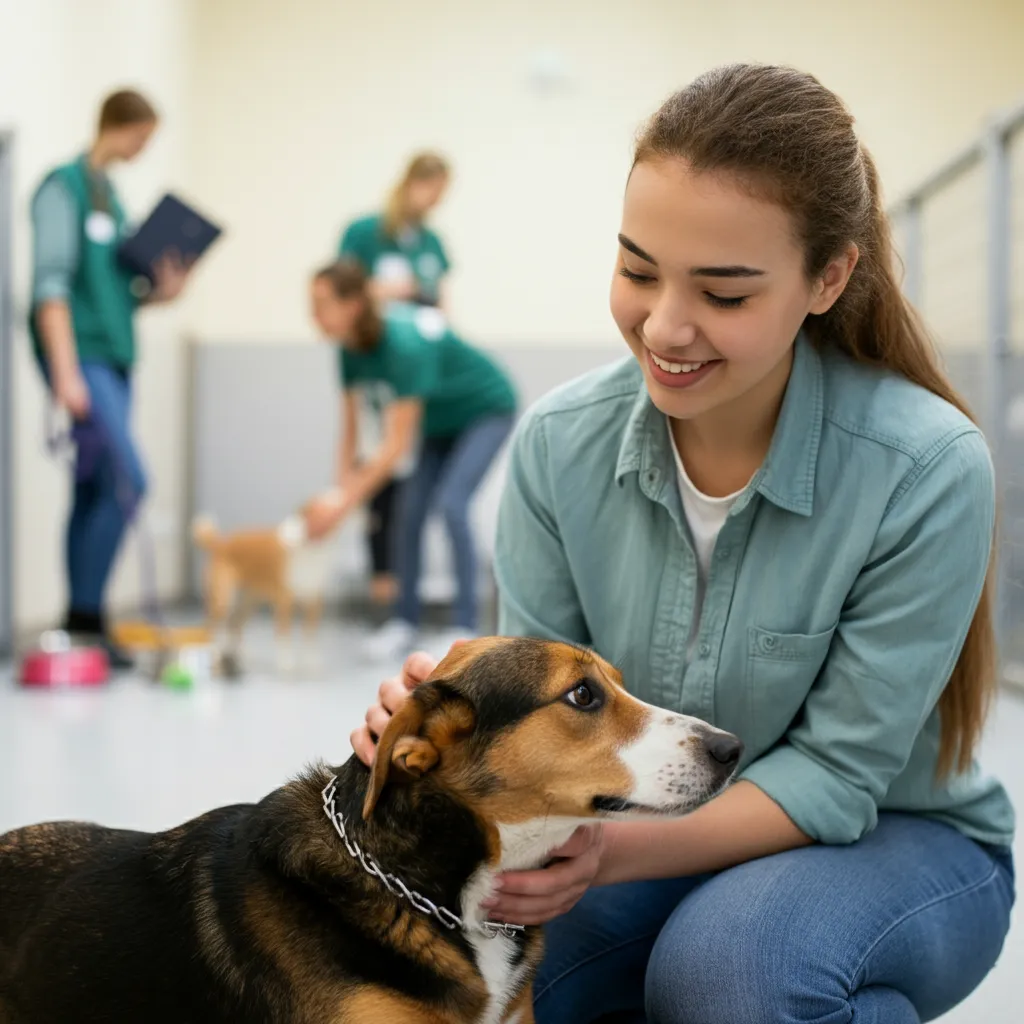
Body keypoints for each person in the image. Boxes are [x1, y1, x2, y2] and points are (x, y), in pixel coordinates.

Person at [350, 64, 1016, 1023]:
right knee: (465, 976)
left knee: (728, 975)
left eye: (726, 294)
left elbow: (836, 778)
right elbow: (544, 715)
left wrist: (601, 856)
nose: (664, 326)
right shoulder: (556, 444)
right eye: (635, 269)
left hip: (897, 837)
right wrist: (428, 733)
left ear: (828, 278)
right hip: (644, 826)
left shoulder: (927, 467)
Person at [29, 89, 191, 669]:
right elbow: (50, 286)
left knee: (94, 487)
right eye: (145, 136)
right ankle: (86, 619)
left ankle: (82, 621)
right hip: (84, 359)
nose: (145, 148)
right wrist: (66, 374)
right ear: (123, 126)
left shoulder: (113, 198)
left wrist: (161, 290)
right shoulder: (62, 188)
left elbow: (117, 293)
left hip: (116, 360)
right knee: (130, 479)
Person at [305, 259, 516, 661]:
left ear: (351, 306)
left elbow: (395, 446)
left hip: (485, 407)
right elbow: (349, 431)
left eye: (320, 303)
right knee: (409, 510)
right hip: (439, 421)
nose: (312, 315)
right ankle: (403, 622)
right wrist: (337, 495)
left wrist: (343, 506)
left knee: (452, 504)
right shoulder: (349, 351)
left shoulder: (402, 344)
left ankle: (464, 627)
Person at [337, 152, 452, 613]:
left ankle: (404, 599)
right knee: (379, 478)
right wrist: (394, 291)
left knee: (411, 480)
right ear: (412, 183)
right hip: (378, 368)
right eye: (432, 190)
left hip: (418, 368)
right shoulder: (366, 232)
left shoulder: (431, 242)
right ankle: (383, 599)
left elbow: (441, 301)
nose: (435, 202)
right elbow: (345, 290)